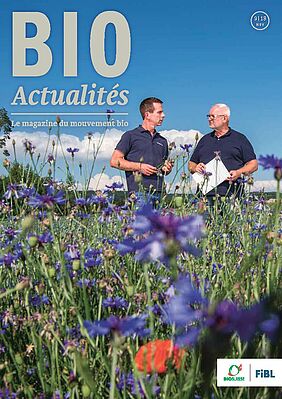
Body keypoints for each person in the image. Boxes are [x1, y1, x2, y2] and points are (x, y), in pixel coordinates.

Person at [188, 103, 258, 201]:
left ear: (224, 118)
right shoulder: (204, 140)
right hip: (204, 198)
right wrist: (196, 167)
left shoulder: (240, 139)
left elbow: (253, 164)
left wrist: (238, 172)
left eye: (213, 116)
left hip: (232, 196)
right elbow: (191, 164)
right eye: (208, 116)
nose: (209, 119)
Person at [110, 97, 173, 196]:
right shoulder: (130, 136)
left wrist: (167, 169)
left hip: (160, 193)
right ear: (147, 114)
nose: (163, 115)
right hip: (138, 193)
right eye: (159, 112)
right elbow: (114, 161)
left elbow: (164, 169)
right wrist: (139, 167)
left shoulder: (162, 141)